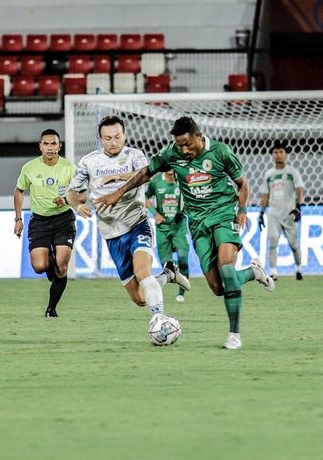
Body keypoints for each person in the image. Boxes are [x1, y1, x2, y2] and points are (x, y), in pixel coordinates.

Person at [94, 116, 275, 350]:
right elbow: (146, 172)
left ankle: (234, 335)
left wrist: (241, 209)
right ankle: (253, 272)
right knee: (218, 287)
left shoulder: (220, 152)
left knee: (227, 270)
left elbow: (243, 184)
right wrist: (118, 192)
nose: (184, 150)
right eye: (180, 145)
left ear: (199, 137)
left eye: (188, 144)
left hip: (223, 215)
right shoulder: (172, 154)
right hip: (198, 223)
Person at [65, 115, 190, 329]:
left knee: (142, 271)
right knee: (140, 298)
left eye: (117, 136)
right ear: (100, 139)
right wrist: (77, 205)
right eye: (107, 138)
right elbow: (71, 192)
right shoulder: (89, 161)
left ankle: (159, 319)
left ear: (125, 135)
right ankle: (167, 275)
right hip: (111, 234)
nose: (113, 142)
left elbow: (145, 175)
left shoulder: (134, 155)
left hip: (137, 224)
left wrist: (118, 177)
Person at [14, 129, 77, 318]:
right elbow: (19, 191)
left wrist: (66, 200)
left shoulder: (69, 168)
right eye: (46, 144)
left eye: (53, 144)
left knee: (62, 266)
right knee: (40, 266)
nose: (50, 147)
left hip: (63, 219)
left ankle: (51, 308)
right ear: (40, 146)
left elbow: (80, 193)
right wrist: (18, 219)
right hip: (39, 221)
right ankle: (51, 259)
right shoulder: (29, 168)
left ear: (60, 146)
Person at [259, 140, 305, 281]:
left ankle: (298, 268)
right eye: (275, 152)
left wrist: (298, 208)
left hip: (289, 212)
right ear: (272, 155)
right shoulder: (269, 174)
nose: (278, 155)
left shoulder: (292, 172)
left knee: (293, 243)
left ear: (286, 155)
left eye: (281, 152)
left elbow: (299, 190)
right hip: (273, 212)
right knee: (272, 240)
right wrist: (261, 213)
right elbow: (265, 195)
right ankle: (273, 272)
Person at [146, 170, 191, 303]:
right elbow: (145, 198)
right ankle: (175, 274)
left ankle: (181, 293)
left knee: (183, 258)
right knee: (167, 265)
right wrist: (155, 213)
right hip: (163, 228)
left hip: (179, 227)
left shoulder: (184, 180)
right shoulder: (156, 181)